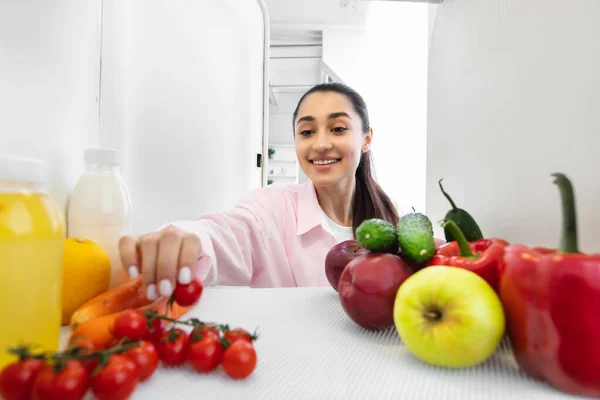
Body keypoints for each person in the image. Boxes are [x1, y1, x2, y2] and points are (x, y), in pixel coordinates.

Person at [118, 82, 404, 301]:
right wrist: (184, 238)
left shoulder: (389, 216)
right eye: (306, 132)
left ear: (366, 139)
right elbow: (229, 233)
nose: (320, 144)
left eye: (338, 128)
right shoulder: (271, 207)